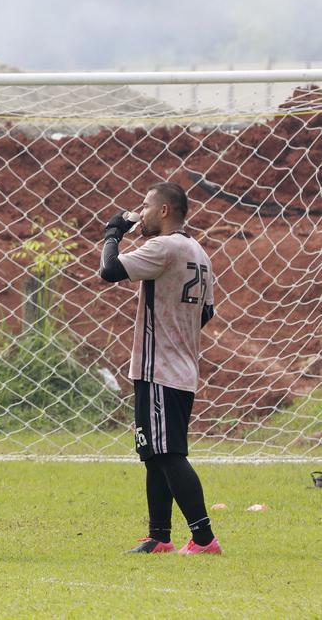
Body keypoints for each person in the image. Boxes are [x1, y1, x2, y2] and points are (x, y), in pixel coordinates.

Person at [98, 182, 221, 555]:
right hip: (178, 367)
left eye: (146, 205)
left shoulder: (164, 247)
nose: (142, 212)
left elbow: (109, 270)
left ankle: (204, 539)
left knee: (168, 454)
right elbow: (207, 311)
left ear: (165, 210)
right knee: (153, 454)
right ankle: (159, 537)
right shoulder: (198, 252)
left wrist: (114, 231)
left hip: (161, 370)